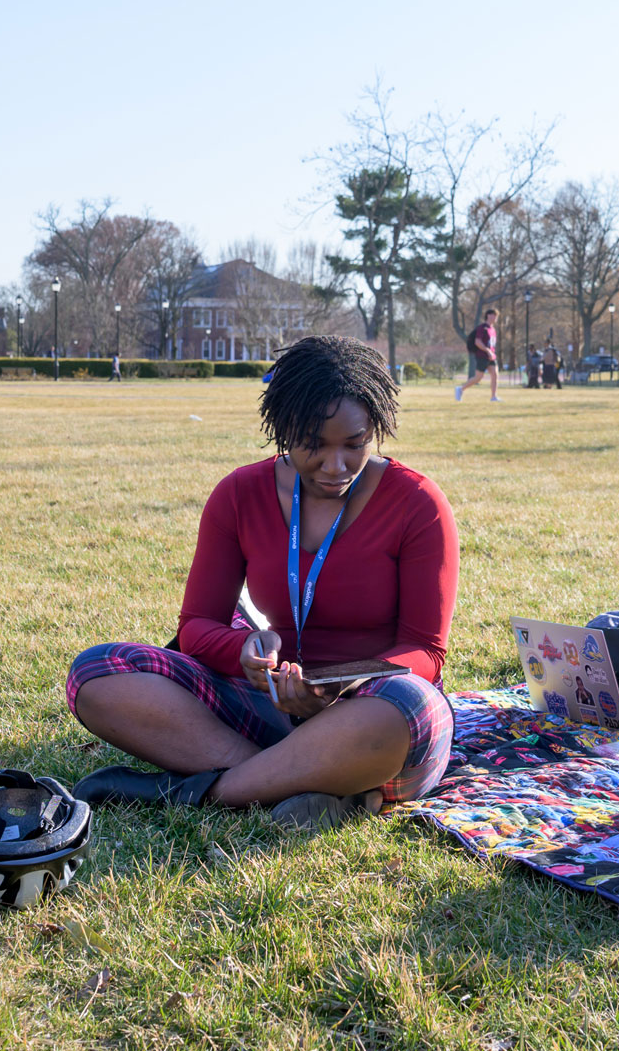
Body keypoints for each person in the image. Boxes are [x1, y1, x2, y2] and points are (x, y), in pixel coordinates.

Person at [65, 335, 460, 827]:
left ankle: (198, 792)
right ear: (282, 429)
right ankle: (313, 783)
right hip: (264, 704)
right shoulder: (239, 494)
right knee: (98, 672)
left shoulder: (418, 504)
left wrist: (344, 686)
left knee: (412, 706)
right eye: (312, 445)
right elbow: (197, 625)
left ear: (374, 430)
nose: (335, 466)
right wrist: (244, 650)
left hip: (368, 715)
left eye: (354, 445)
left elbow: (425, 652)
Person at [457, 309, 501, 402]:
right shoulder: (482, 328)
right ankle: (460, 389)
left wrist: (492, 353)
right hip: (482, 355)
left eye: (496, 315)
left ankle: (493, 396)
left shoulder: (493, 329)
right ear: (488, 316)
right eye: (494, 315)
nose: (495, 317)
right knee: (478, 378)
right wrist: (487, 351)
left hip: (491, 356)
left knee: (495, 374)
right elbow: (477, 342)